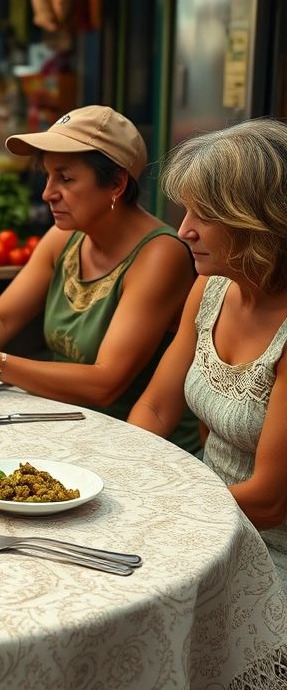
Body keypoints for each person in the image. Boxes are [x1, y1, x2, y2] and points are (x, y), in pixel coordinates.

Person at [0, 105, 200, 453]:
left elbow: (105, 383)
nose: (48, 193)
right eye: (47, 176)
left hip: (137, 445)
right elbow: (2, 316)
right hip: (68, 426)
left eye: (66, 178)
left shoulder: (160, 255)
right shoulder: (65, 237)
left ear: (117, 183)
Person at [128, 119, 287, 584]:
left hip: (265, 547)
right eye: (185, 212)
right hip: (201, 514)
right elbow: (157, 407)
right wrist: (123, 473)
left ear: (260, 222)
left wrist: (154, 504)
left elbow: (269, 500)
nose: (183, 231)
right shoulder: (211, 287)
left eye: (205, 216)